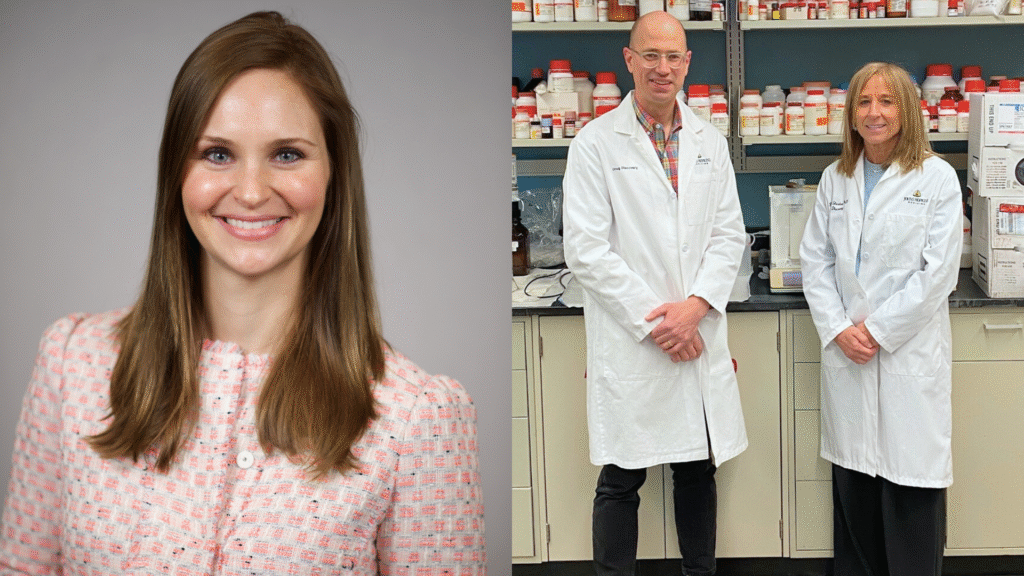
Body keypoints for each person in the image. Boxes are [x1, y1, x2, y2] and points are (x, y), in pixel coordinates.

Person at [0, 11, 485, 575]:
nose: (252, 192)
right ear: (176, 173)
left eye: (287, 154)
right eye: (217, 153)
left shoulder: (418, 419)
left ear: (334, 174)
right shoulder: (71, 364)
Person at [562, 11, 748, 576]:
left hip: (695, 333)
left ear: (687, 63)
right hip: (635, 340)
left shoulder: (709, 143)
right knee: (621, 477)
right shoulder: (594, 144)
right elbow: (587, 250)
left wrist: (693, 311)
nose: (661, 68)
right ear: (629, 60)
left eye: (673, 57)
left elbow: (728, 234)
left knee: (696, 469)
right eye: (650, 55)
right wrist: (659, 323)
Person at [799, 62, 962, 576]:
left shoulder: (936, 179)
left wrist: (875, 330)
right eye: (864, 102)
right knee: (856, 500)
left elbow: (937, 275)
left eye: (887, 102)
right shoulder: (836, 178)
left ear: (907, 111)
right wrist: (838, 328)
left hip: (905, 358)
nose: (874, 113)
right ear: (851, 114)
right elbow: (815, 261)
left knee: (911, 498)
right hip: (849, 356)